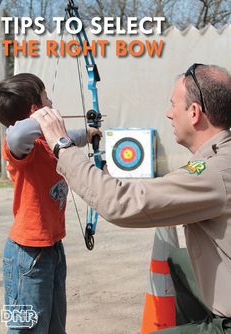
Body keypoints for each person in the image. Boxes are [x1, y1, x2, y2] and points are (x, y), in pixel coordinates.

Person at [32, 64, 231, 334]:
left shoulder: (214, 171)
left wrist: (62, 146)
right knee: (179, 260)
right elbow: (162, 190)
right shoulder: (221, 159)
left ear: (194, 113)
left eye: (174, 105)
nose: (168, 113)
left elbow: (122, 204)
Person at [0, 73, 100, 334]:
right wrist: (43, 118)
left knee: (54, 327)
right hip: (27, 253)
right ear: (35, 110)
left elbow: (66, 137)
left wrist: (88, 133)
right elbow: (16, 133)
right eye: (46, 98)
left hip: (52, 247)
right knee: (27, 329)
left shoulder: (43, 141)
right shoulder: (19, 146)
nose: (51, 102)